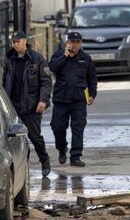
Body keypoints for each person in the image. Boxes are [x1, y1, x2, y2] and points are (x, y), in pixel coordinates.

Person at [2, 31, 52, 177]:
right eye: (13, 42)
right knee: (14, 138)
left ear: (25, 41)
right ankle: (22, 166)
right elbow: (5, 81)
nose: (15, 44)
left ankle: (44, 160)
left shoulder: (37, 59)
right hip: (13, 106)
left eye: (18, 41)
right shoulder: (9, 59)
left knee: (34, 137)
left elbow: (46, 82)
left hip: (31, 106)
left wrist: (43, 100)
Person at [49, 31, 97, 167]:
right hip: (61, 99)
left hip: (78, 99)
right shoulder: (59, 55)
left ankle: (75, 156)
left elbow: (92, 78)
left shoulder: (85, 58)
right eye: (72, 42)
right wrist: (65, 56)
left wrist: (92, 95)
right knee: (57, 127)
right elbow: (52, 68)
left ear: (81, 43)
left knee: (78, 128)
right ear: (67, 42)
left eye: (77, 42)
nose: (75, 45)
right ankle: (62, 148)